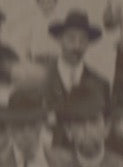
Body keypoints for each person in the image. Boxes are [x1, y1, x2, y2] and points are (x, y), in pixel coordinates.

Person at [42, 10, 111, 149]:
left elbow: (106, 124)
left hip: (88, 154)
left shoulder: (100, 84)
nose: (77, 46)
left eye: (83, 40)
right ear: (60, 39)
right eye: (71, 39)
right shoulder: (41, 79)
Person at [24, 0, 61, 65]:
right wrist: (28, 58)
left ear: (55, 1)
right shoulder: (33, 21)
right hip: (38, 59)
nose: (46, 2)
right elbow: (27, 43)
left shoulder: (60, 20)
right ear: (38, 2)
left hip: (55, 59)